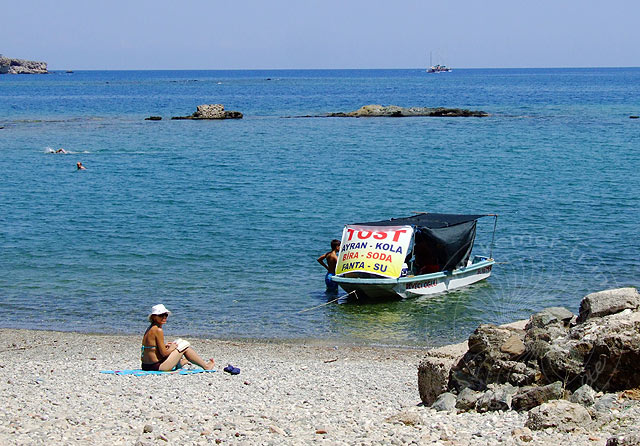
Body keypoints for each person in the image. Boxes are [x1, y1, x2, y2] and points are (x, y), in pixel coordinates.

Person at [141, 304, 214, 371]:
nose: (164, 317)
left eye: (166, 315)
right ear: (154, 317)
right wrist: (172, 347)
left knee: (178, 344)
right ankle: (206, 367)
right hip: (157, 367)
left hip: (145, 366)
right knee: (184, 347)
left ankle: (182, 362)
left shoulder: (150, 328)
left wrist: (165, 346)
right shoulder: (158, 330)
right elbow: (164, 354)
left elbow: (152, 348)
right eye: (161, 315)